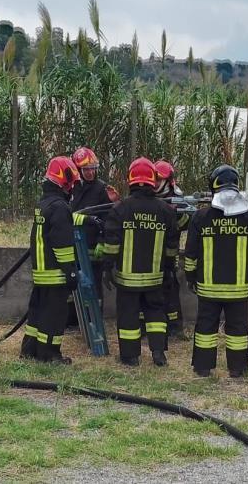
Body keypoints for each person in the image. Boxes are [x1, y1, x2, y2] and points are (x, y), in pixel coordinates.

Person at [184, 165, 248, 378]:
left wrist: (190, 277)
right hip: (238, 289)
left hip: (208, 288)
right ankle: (237, 368)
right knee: (238, 329)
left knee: (205, 328)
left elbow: (190, 253)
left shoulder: (201, 217)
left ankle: (203, 367)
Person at [102, 157, 179, 367]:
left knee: (128, 315)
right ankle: (158, 354)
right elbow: (172, 245)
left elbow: (111, 243)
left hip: (127, 279)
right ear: (153, 180)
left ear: (131, 179)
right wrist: (170, 269)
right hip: (156, 277)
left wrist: (107, 267)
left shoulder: (120, 209)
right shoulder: (165, 211)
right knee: (156, 313)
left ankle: (130, 356)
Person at [19, 156, 81, 364]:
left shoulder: (44, 204)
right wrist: (70, 271)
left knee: (37, 314)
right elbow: (62, 244)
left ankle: (30, 350)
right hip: (55, 273)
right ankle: (50, 354)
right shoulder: (60, 207)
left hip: (41, 272)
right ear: (65, 180)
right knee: (54, 316)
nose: (72, 188)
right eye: (71, 183)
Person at [66, 146, 112, 328]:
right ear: (78, 170)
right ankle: (71, 320)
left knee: (93, 286)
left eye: (93, 169)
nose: (91, 173)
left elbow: (107, 218)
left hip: (93, 246)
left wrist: (102, 241)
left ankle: (94, 320)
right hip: (73, 245)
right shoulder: (71, 188)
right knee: (72, 286)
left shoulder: (101, 189)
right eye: (86, 169)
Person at [154, 160, 190, 340]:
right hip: (150, 249)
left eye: (158, 180)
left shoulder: (177, 198)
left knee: (170, 286)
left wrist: (177, 215)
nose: (155, 183)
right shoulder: (148, 194)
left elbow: (185, 224)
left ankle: (175, 327)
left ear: (168, 181)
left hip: (169, 249)